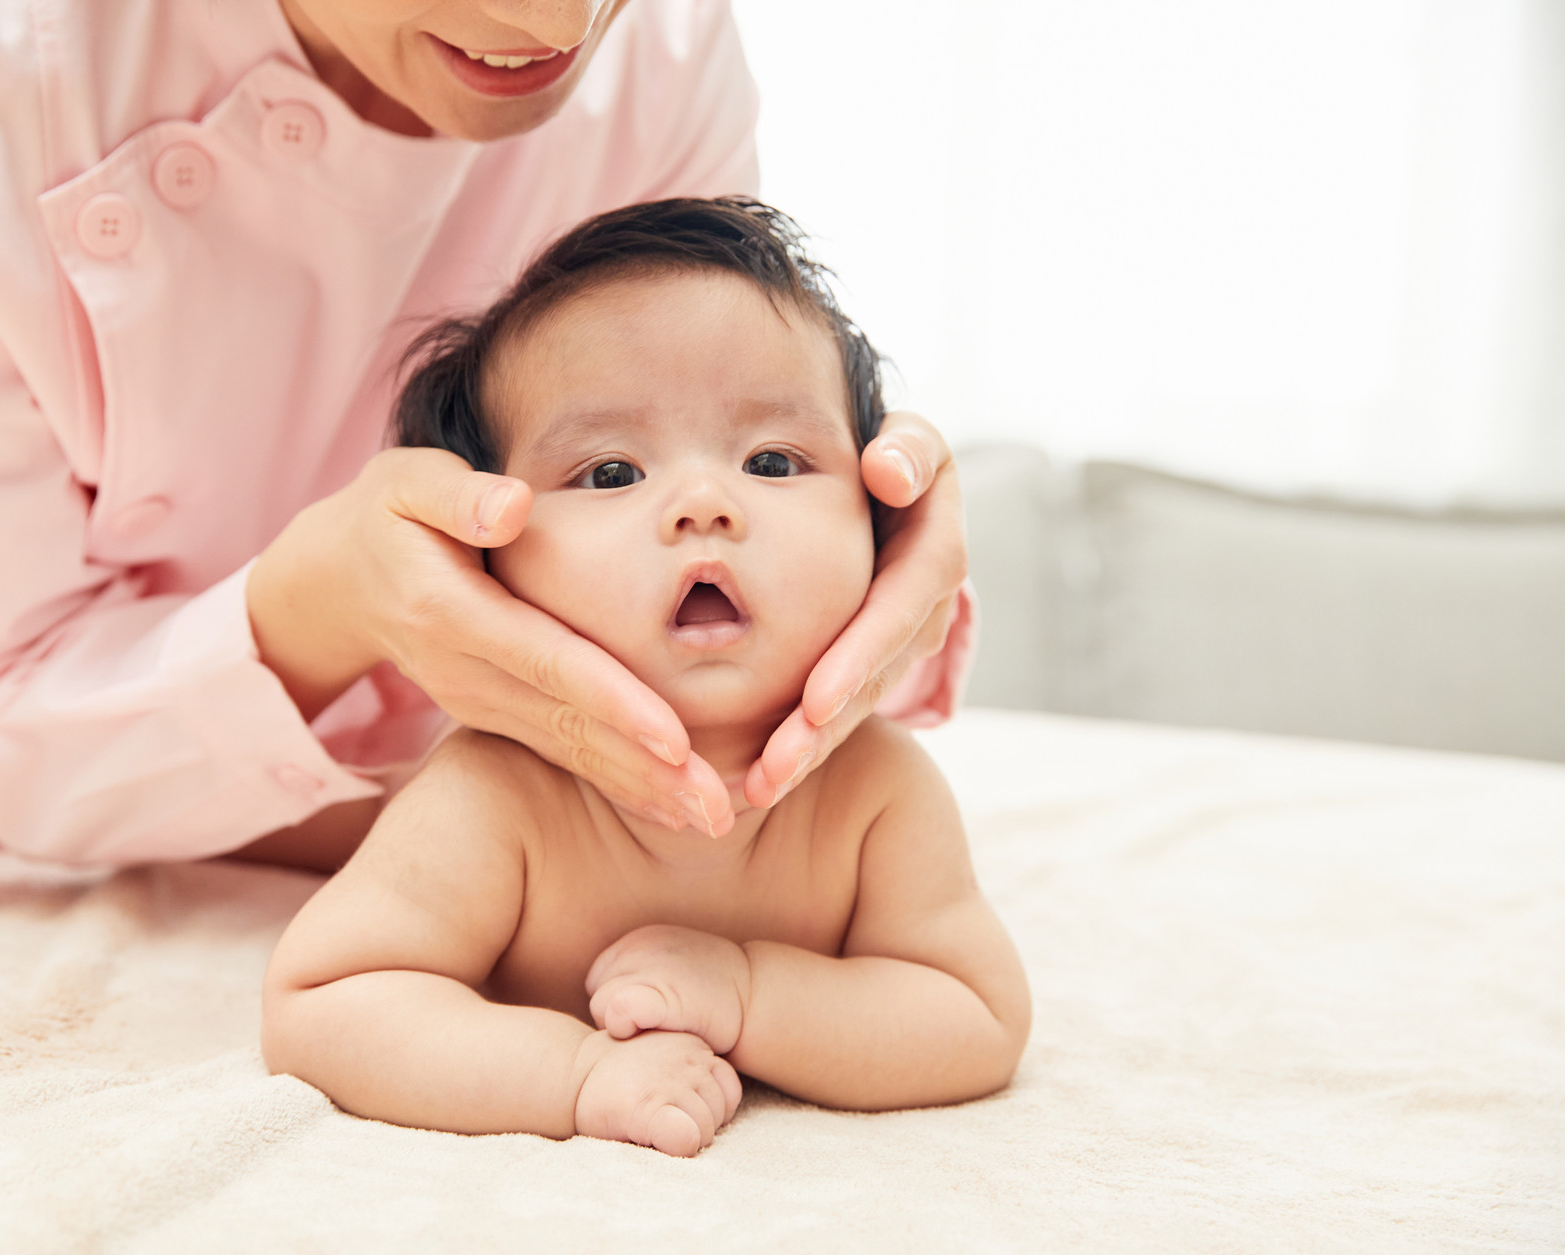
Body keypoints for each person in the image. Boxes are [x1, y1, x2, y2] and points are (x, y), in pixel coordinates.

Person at [0, 0, 973, 868]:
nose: (549, 22)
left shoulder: (662, 53)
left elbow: (690, 464)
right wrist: (322, 610)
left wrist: (854, 536)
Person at [262, 198, 1027, 1156]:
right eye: (613, 473)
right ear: (477, 564)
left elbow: (975, 1016)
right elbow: (325, 999)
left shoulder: (875, 791)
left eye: (774, 460)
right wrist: (574, 1076)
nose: (704, 503)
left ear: (884, 529)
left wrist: (749, 995)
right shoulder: (498, 794)